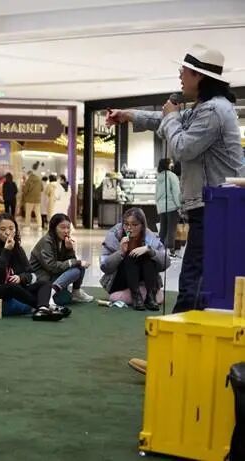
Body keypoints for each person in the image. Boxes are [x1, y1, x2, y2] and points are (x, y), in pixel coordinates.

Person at [107, 44, 243, 313]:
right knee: (201, 274)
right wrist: (129, 115)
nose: (180, 75)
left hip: (215, 206)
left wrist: (170, 118)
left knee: (195, 276)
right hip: (215, 206)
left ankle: (181, 332)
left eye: (184, 70)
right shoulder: (208, 108)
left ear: (199, 76)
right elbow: (167, 119)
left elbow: (182, 146)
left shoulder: (213, 111)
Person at [0, 213, 64, 321]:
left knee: (44, 283)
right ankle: (45, 307)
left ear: (15, 230)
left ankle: (42, 309)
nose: (7, 232)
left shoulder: (18, 248)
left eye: (11, 228)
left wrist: (21, 278)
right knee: (12, 287)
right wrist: (6, 251)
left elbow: (31, 274)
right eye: (3, 229)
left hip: (18, 287)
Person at [100, 208, 169, 311]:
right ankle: (136, 296)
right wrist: (120, 252)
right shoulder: (114, 234)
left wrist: (150, 250)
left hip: (145, 280)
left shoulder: (149, 235)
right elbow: (104, 266)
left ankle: (150, 296)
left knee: (147, 256)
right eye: (126, 224)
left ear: (142, 225)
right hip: (120, 279)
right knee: (130, 256)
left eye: (135, 225)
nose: (129, 228)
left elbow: (166, 262)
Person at [30, 213, 94, 303]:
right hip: (41, 278)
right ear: (54, 228)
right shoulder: (46, 241)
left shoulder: (63, 240)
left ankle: (76, 292)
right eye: (62, 227)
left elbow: (70, 262)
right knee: (64, 298)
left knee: (79, 267)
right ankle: (49, 293)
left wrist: (69, 249)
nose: (66, 231)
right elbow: (52, 266)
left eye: (68, 228)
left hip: (52, 275)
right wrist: (76, 262)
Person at [155, 158, 181, 257]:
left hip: (162, 207)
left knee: (163, 230)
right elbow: (176, 192)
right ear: (167, 165)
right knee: (171, 229)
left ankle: (160, 250)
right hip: (171, 206)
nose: (172, 165)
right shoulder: (172, 176)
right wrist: (179, 205)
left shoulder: (159, 177)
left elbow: (156, 194)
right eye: (171, 163)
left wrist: (159, 206)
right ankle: (170, 250)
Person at [22, 163, 43, 230]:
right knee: (38, 213)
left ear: (29, 174)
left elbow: (25, 190)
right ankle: (39, 226)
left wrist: (23, 187)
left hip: (29, 199)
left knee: (28, 213)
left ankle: (27, 226)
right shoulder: (39, 180)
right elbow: (42, 189)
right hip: (37, 199)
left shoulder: (28, 181)